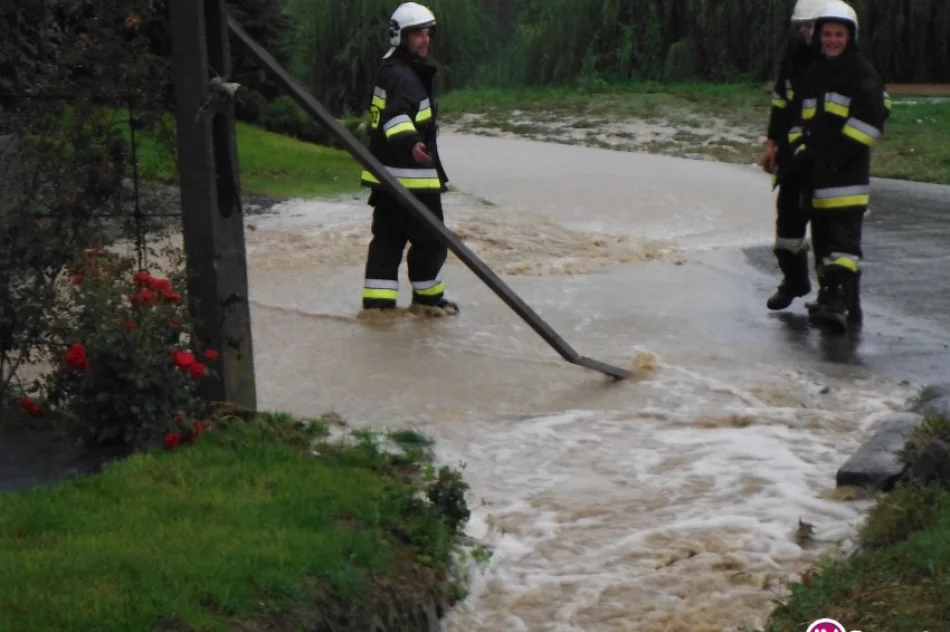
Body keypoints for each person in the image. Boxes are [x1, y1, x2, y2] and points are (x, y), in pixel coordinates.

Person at [788, 0, 888, 333]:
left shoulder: (861, 72)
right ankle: (837, 299)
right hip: (816, 180)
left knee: (844, 247)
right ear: (818, 37)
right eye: (827, 34)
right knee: (823, 245)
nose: (832, 40)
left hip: (846, 180)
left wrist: (835, 157)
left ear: (850, 37)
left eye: (838, 35)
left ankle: (839, 302)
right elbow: (799, 119)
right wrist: (799, 150)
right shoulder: (814, 73)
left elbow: (871, 123)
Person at [358, 2, 458, 315]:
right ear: (399, 37)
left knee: (388, 241)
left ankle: (378, 308)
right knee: (431, 240)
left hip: (387, 180)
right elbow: (395, 117)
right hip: (411, 180)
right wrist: (412, 142)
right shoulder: (403, 77)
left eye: (428, 33)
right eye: (417, 34)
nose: (425, 40)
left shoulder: (392, 69)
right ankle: (428, 304)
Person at [762, 0, 825, 311]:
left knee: (833, 237)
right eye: (803, 26)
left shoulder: (844, 57)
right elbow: (780, 101)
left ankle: (838, 299)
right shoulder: (794, 52)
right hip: (792, 158)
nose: (806, 31)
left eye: (812, 25)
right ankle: (794, 281)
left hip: (829, 160)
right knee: (787, 228)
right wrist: (772, 141)